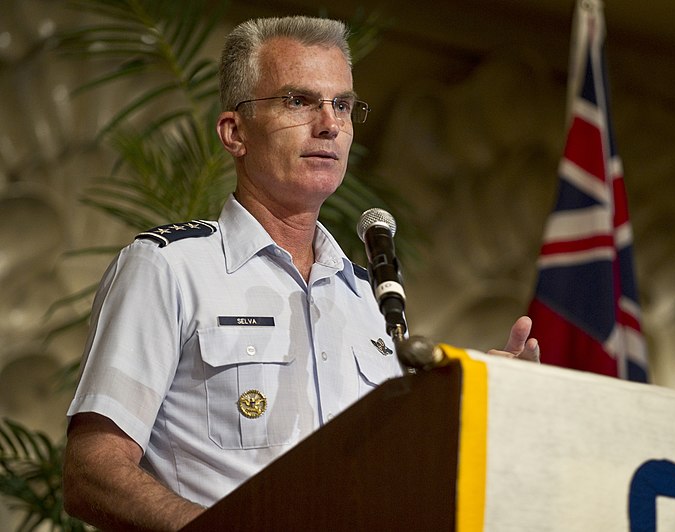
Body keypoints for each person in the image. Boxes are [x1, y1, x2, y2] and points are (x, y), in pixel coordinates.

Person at [62, 16, 540, 531]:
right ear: (235, 132)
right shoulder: (168, 268)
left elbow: (394, 476)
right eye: (298, 101)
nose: (330, 124)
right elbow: (93, 473)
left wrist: (478, 404)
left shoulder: (368, 298)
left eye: (342, 105)